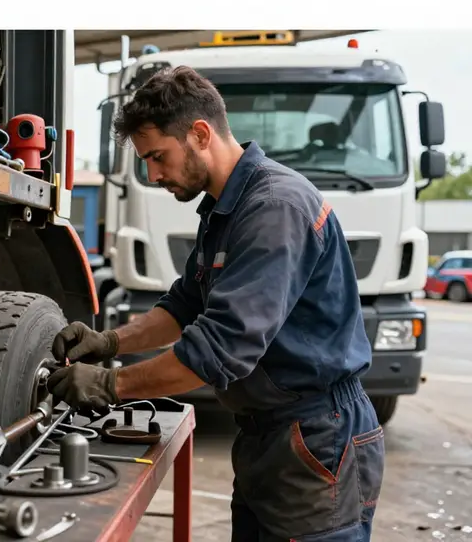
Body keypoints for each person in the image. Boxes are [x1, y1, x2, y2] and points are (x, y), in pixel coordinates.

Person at [47, 65, 385, 542]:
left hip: (316, 437)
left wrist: (109, 384)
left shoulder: (274, 208)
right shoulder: (226, 206)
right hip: (270, 434)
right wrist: (109, 341)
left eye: (159, 156)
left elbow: (216, 352)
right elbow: (185, 305)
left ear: (200, 134)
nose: (153, 173)